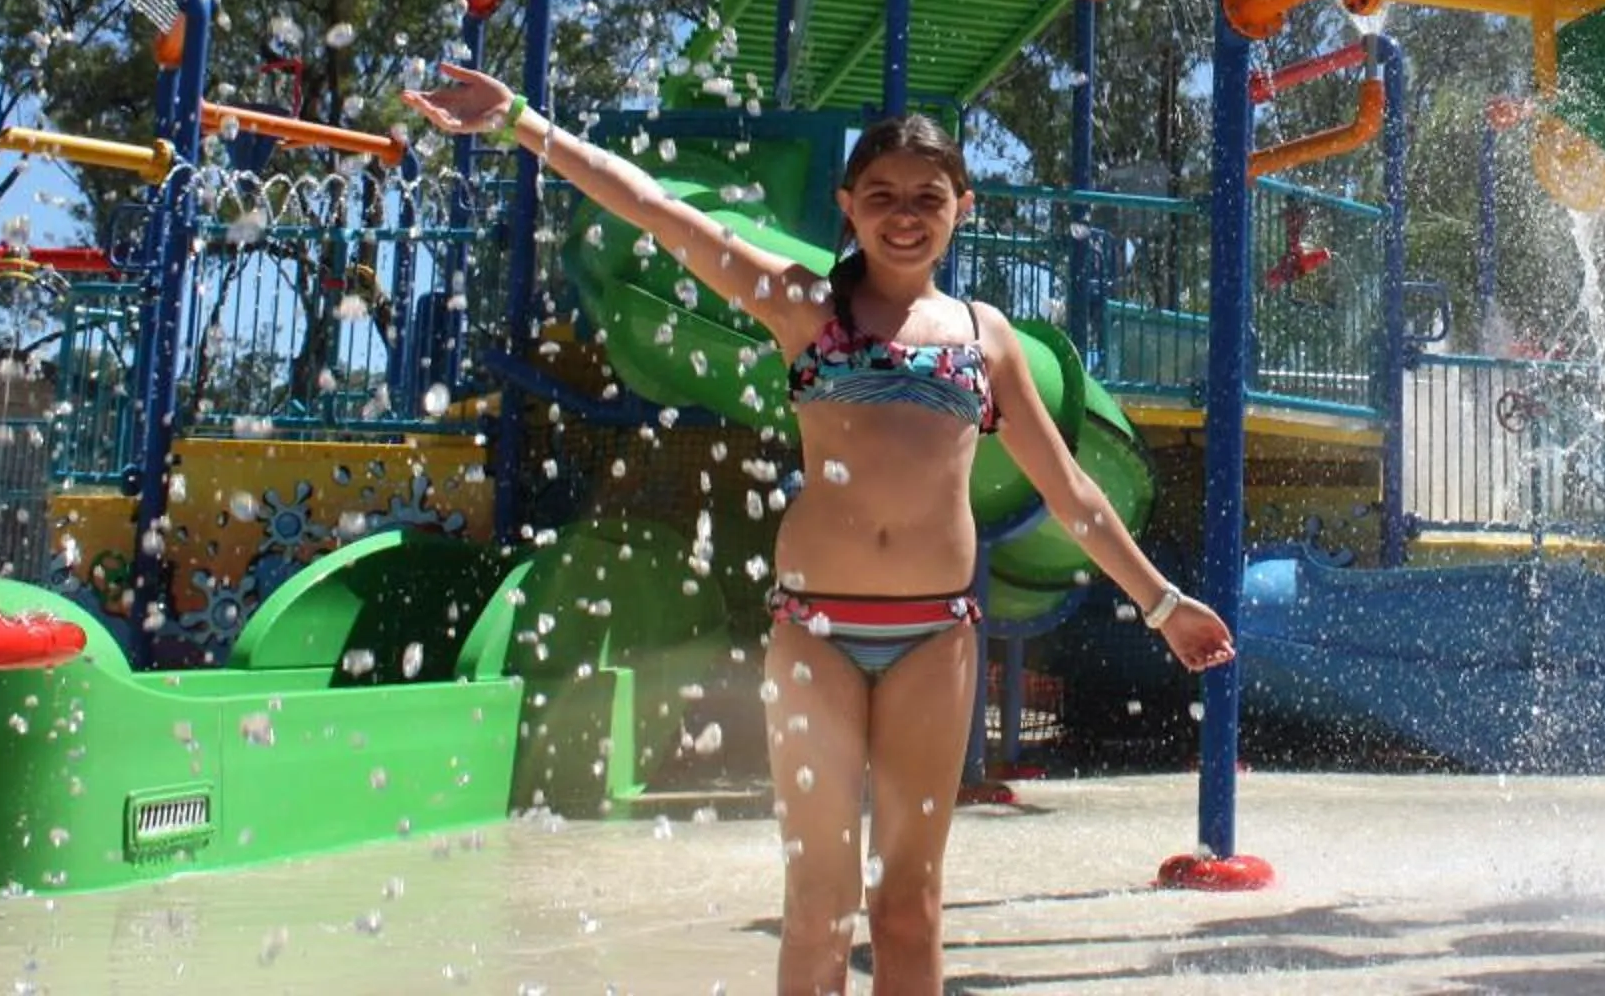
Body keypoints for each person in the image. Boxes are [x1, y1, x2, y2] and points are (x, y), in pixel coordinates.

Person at [401, 71, 1234, 996]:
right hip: (815, 634)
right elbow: (662, 214)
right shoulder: (804, 308)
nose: (904, 215)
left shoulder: (983, 337)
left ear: (963, 205)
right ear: (848, 207)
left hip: (935, 637)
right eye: (881, 196)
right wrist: (522, 124)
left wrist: (1161, 603)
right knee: (817, 904)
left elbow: (1070, 490)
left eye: (928, 197)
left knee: (911, 907)